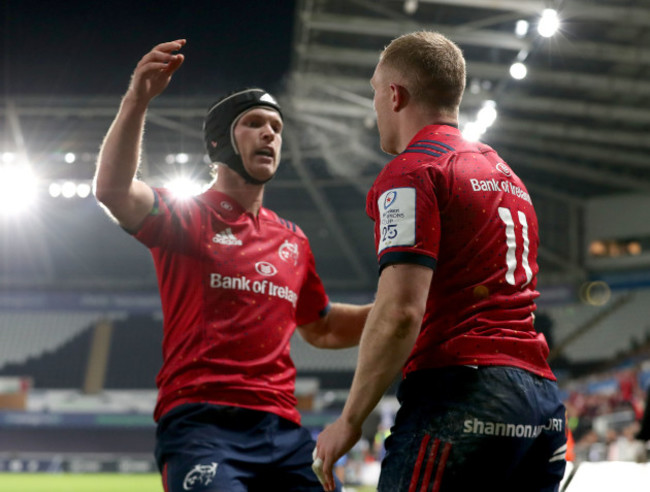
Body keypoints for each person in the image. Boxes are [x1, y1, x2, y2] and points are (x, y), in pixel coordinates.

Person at [94, 39, 371, 492]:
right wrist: (137, 100)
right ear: (221, 140)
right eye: (254, 123)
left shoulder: (293, 239)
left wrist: (405, 310)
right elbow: (113, 191)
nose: (270, 134)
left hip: (284, 430)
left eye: (277, 127)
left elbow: (320, 327)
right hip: (202, 424)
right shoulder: (185, 216)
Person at [314, 31, 567, 492]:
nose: (374, 110)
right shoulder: (507, 176)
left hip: (462, 396)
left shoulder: (413, 171)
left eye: (374, 92)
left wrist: (349, 420)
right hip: (541, 404)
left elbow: (400, 312)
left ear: (395, 95)